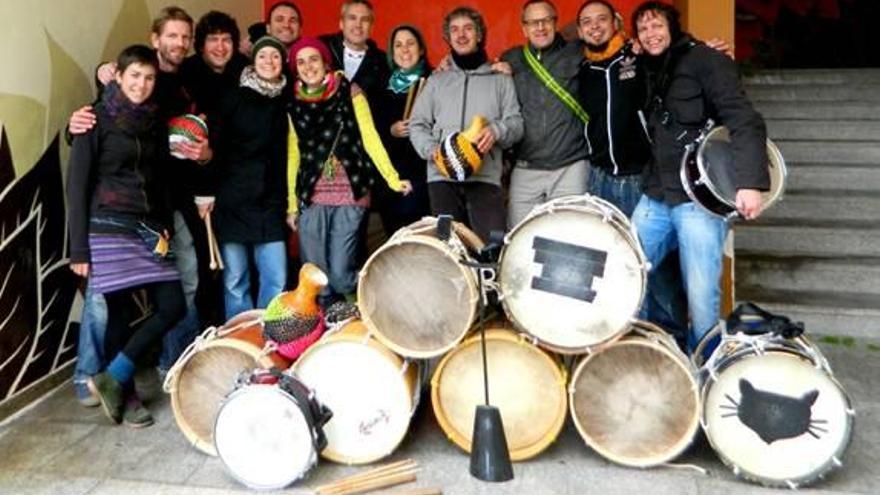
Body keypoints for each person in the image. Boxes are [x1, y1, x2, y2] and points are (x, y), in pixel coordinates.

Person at [67, 6, 208, 399]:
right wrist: (77, 247)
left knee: (177, 296)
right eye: (172, 35)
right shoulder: (102, 108)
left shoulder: (164, 106)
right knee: (108, 307)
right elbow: (79, 176)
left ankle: (136, 372)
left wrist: (205, 157)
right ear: (155, 38)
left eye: (186, 36)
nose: (143, 84)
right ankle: (96, 382)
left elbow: (162, 167)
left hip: (154, 217)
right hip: (109, 223)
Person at [631, 1, 769, 350]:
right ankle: (640, 351)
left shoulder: (707, 59)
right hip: (656, 194)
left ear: (673, 27)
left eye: (656, 25)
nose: (650, 34)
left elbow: (744, 119)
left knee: (701, 296)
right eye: (643, 29)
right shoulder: (645, 67)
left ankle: (704, 369)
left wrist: (750, 183)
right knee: (626, 273)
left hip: (699, 200)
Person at [286, 37, 412, 305]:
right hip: (311, 194)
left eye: (314, 59)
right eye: (301, 61)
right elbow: (293, 154)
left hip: (350, 190)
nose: (308, 66)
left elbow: (370, 137)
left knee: (342, 275)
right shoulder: (294, 102)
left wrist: (392, 178)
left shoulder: (350, 92)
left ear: (325, 62)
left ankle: (376, 296)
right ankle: (330, 329)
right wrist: (291, 206)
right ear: (295, 68)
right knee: (316, 278)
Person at [408, 7, 523, 242]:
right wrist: (433, 151)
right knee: (447, 246)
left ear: (479, 35)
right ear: (448, 37)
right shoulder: (437, 80)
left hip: (486, 178)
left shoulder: (500, 79)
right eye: (455, 30)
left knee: (492, 246)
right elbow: (417, 124)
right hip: (441, 180)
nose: (461, 35)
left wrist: (496, 130)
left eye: (468, 28)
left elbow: (517, 124)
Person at [206, 36, 291, 318]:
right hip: (233, 200)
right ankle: (241, 339)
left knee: (276, 278)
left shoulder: (287, 100)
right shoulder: (233, 97)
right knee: (235, 281)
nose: (269, 61)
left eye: (275, 56)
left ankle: (268, 341)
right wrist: (206, 193)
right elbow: (213, 148)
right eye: (263, 56)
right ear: (253, 63)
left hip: (270, 201)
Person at [499, 0, 589, 228]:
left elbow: (608, 49)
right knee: (519, 236)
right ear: (524, 28)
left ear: (555, 22)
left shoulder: (577, 52)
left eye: (545, 20)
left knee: (568, 236)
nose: (540, 27)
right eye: (533, 22)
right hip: (526, 167)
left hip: (570, 165)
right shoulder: (511, 58)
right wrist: (446, 67)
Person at [373, 24, 432, 235]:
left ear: (421, 49)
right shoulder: (380, 84)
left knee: (422, 236)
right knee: (394, 236)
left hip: (424, 173)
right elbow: (370, 129)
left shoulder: (434, 80)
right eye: (398, 45)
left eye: (410, 44)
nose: (404, 50)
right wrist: (391, 130)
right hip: (391, 175)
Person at [319, 0, 389, 116]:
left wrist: (366, 98)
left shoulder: (383, 61)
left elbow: (385, 108)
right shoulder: (321, 48)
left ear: (372, 27)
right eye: (352, 18)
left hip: (362, 129)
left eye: (365, 20)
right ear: (341, 23)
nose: (358, 25)